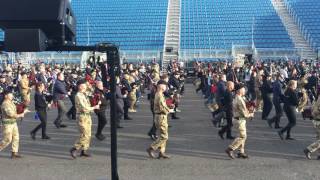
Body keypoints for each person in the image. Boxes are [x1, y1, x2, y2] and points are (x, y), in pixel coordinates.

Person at [70, 80, 100, 159]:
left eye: (85, 85)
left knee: (89, 135)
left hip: (88, 116)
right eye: (83, 85)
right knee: (85, 135)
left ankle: (84, 151)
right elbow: (84, 107)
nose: (84, 86)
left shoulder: (84, 94)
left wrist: (90, 86)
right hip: (82, 116)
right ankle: (74, 148)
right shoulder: (78, 96)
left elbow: (92, 92)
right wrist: (94, 107)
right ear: (79, 86)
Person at [225, 83, 254, 159]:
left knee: (241, 135)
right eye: (243, 89)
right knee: (242, 136)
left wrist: (249, 105)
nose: (245, 90)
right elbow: (244, 113)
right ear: (239, 90)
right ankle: (230, 149)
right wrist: (251, 114)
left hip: (238, 119)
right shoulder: (239, 99)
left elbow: (246, 104)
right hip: (240, 120)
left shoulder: (239, 97)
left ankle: (241, 152)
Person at [147, 80, 173, 159]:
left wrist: (169, 106)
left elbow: (162, 106)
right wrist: (170, 110)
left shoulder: (159, 94)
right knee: (164, 137)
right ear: (161, 86)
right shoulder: (159, 95)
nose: (166, 88)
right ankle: (151, 148)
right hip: (161, 116)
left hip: (160, 116)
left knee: (163, 135)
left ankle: (161, 152)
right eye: (165, 86)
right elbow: (162, 107)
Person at [0, 90, 29, 159]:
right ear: (6, 96)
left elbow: (15, 109)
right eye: (10, 94)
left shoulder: (11, 102)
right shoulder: (5, 104)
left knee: (16, 137)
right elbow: (11, 114)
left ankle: (14, 152)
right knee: (7, 139)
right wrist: (21, 114)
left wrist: (22, 108)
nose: (12, 95)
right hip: (8, 124)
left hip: (13, 123)